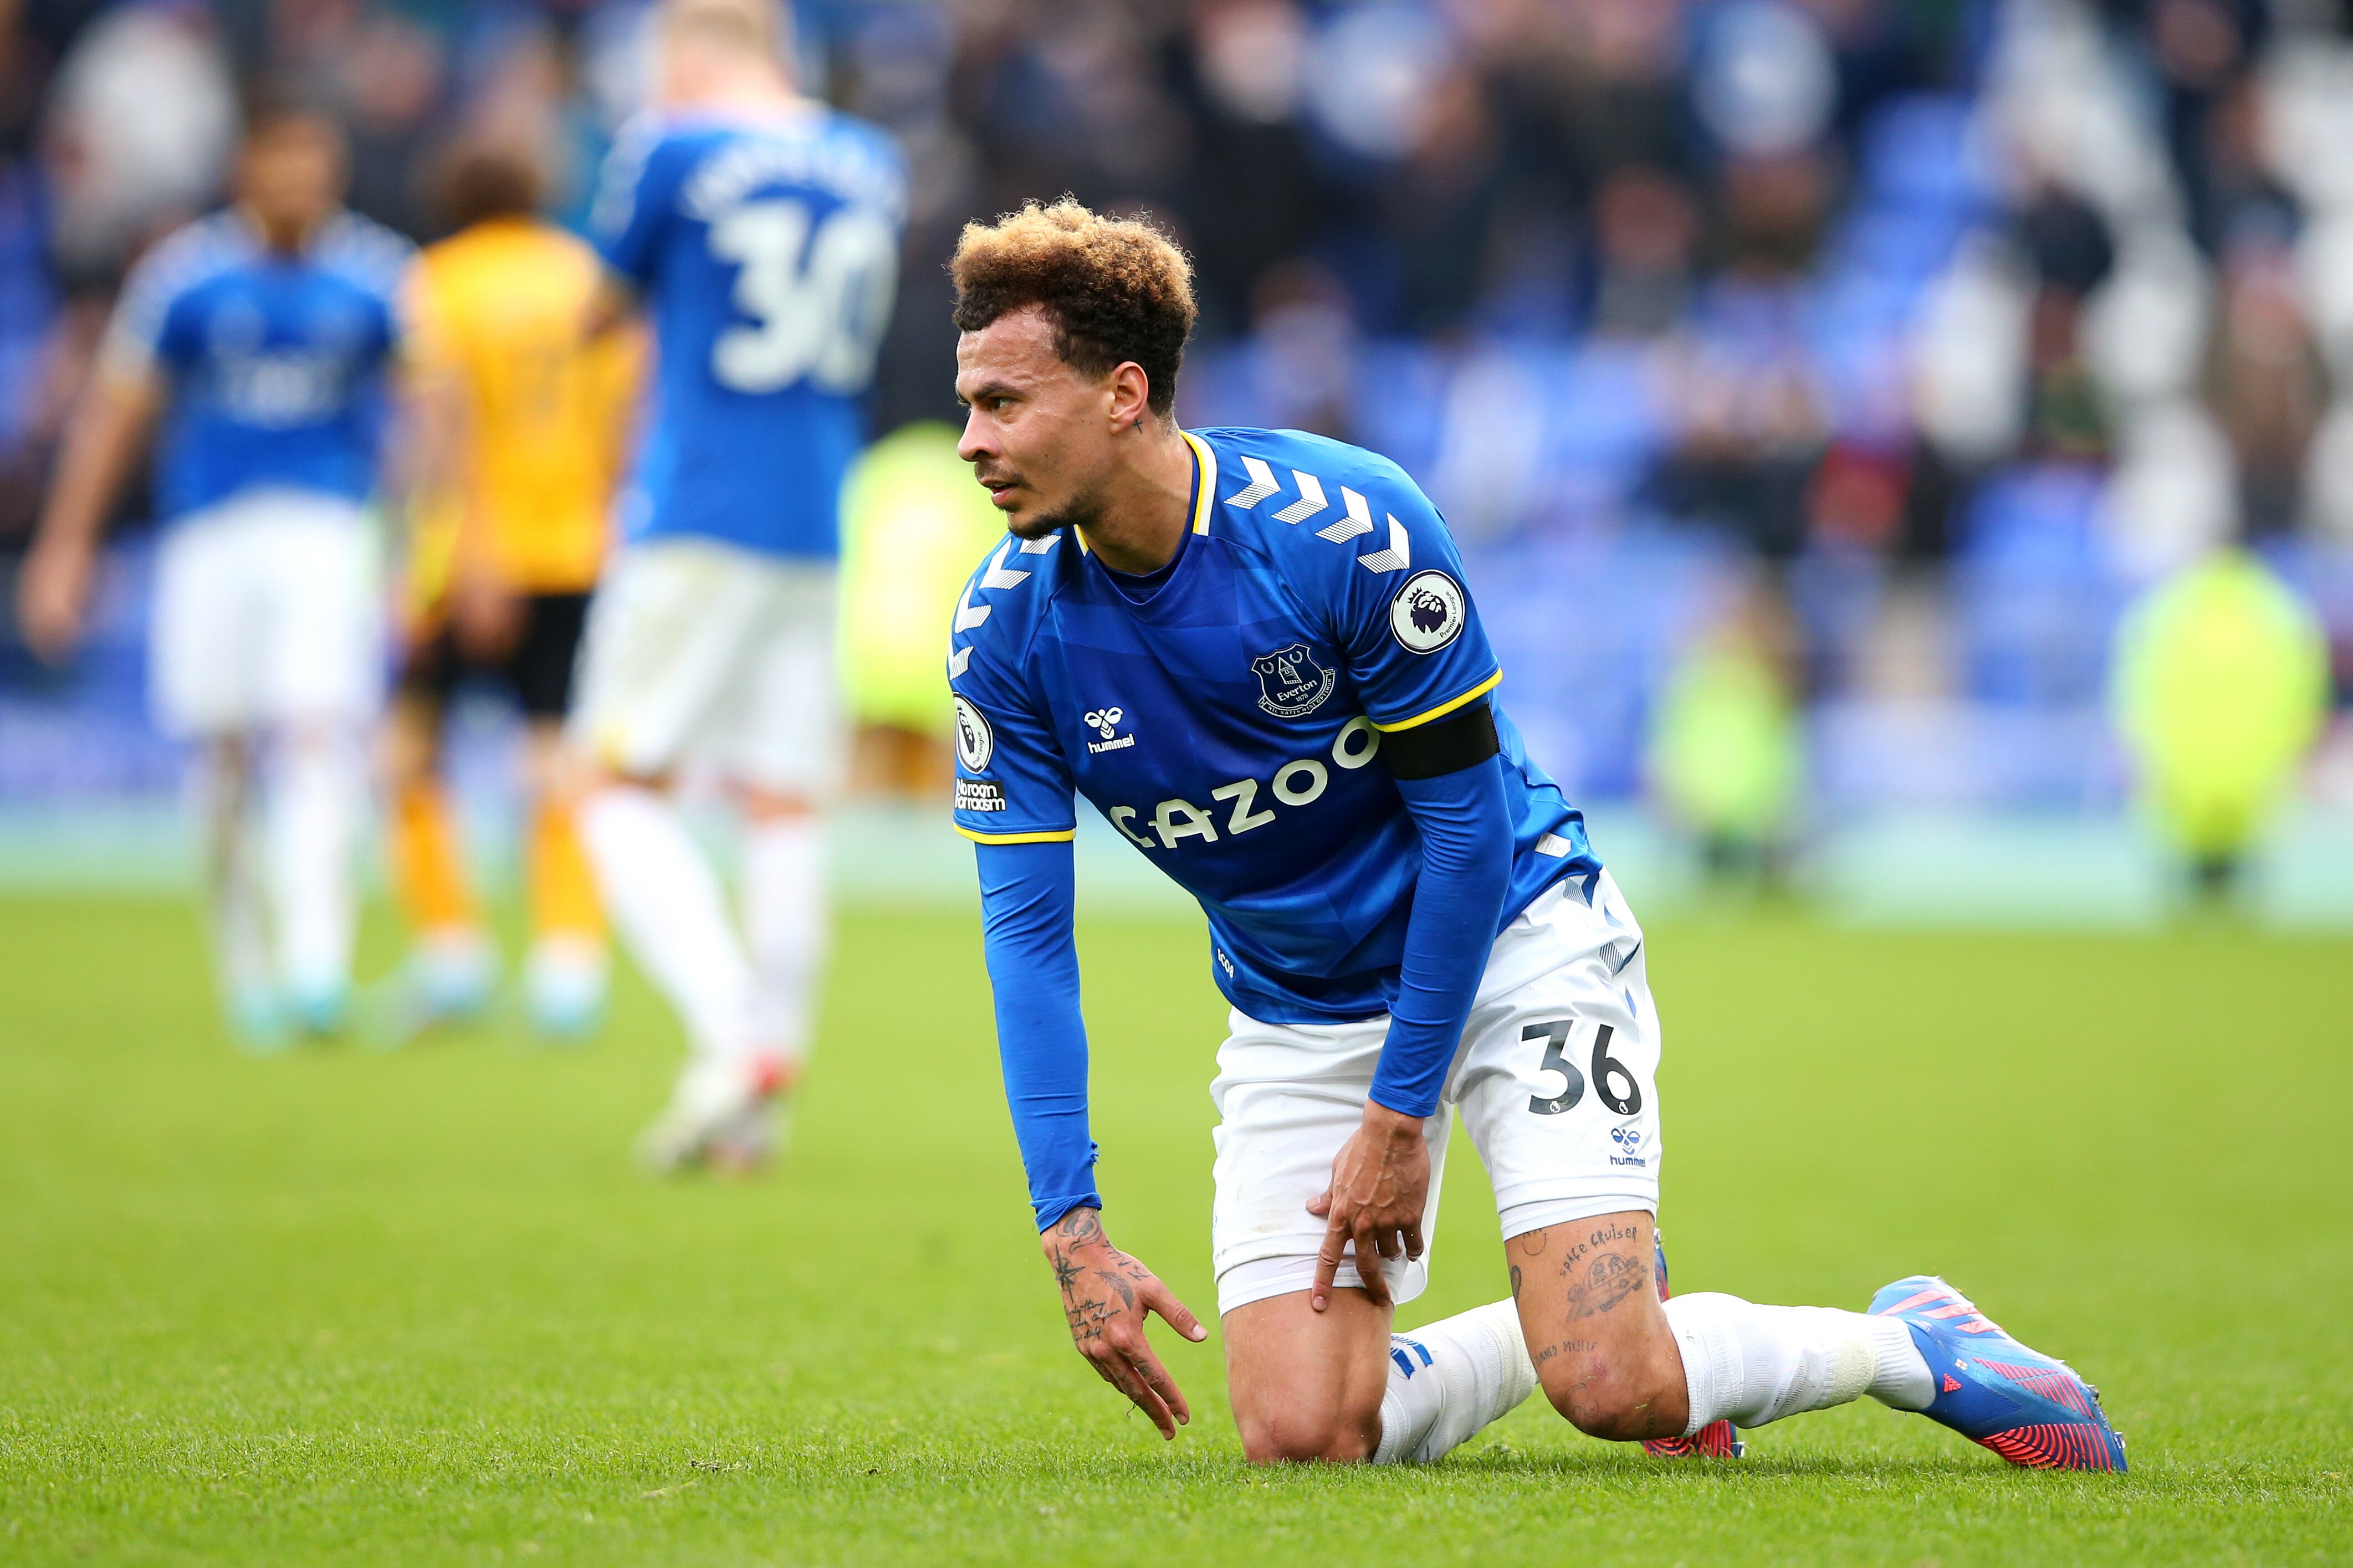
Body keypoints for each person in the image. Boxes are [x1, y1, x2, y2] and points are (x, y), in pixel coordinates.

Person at [945, 200, 2127, 1470]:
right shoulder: (1000, 634)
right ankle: (1579, 1312)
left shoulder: (1343, 528)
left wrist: (1401, 1112)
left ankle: (1909, 1343)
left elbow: (1464, 830)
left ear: (1123, 393)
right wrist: (1070, 1226)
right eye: (968, 402)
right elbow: (1026, 932)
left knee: (1611, 1384)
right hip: (1298, 1004)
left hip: (1514, 935)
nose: (970, 440)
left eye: (1003, 403)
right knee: (1300, 1436)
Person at [569, 0, 904, 1169]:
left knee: (608, 782)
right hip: (814, 507)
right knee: (783, 802)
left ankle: (733, 1033)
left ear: (691, 50)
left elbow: (594, 309)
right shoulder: (869, 160)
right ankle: (754, 1114)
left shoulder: (671, 144)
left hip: (698, 504)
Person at [18, 103, 412, 1046]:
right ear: (246, 169)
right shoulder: (185, 277)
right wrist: (66, 545)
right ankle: (248, 968)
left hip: (325, 526)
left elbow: (424, 420)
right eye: (281, 165)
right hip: (209, 534)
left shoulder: (379, 277)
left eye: (314, 166)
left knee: (319, 732)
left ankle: (318, 963)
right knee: (225, 750)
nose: (298, 186)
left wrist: (422, 544)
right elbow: (120, 412)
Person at [379, 141, 641, 1040]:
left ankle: (451, 953)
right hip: (576, 547)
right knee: (554, 759)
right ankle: (568, 964)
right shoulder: (585, 280)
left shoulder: (437, 281)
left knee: (410, 750)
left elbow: (439, 422)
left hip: (470, 550)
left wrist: (466, 549)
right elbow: (624, 410)